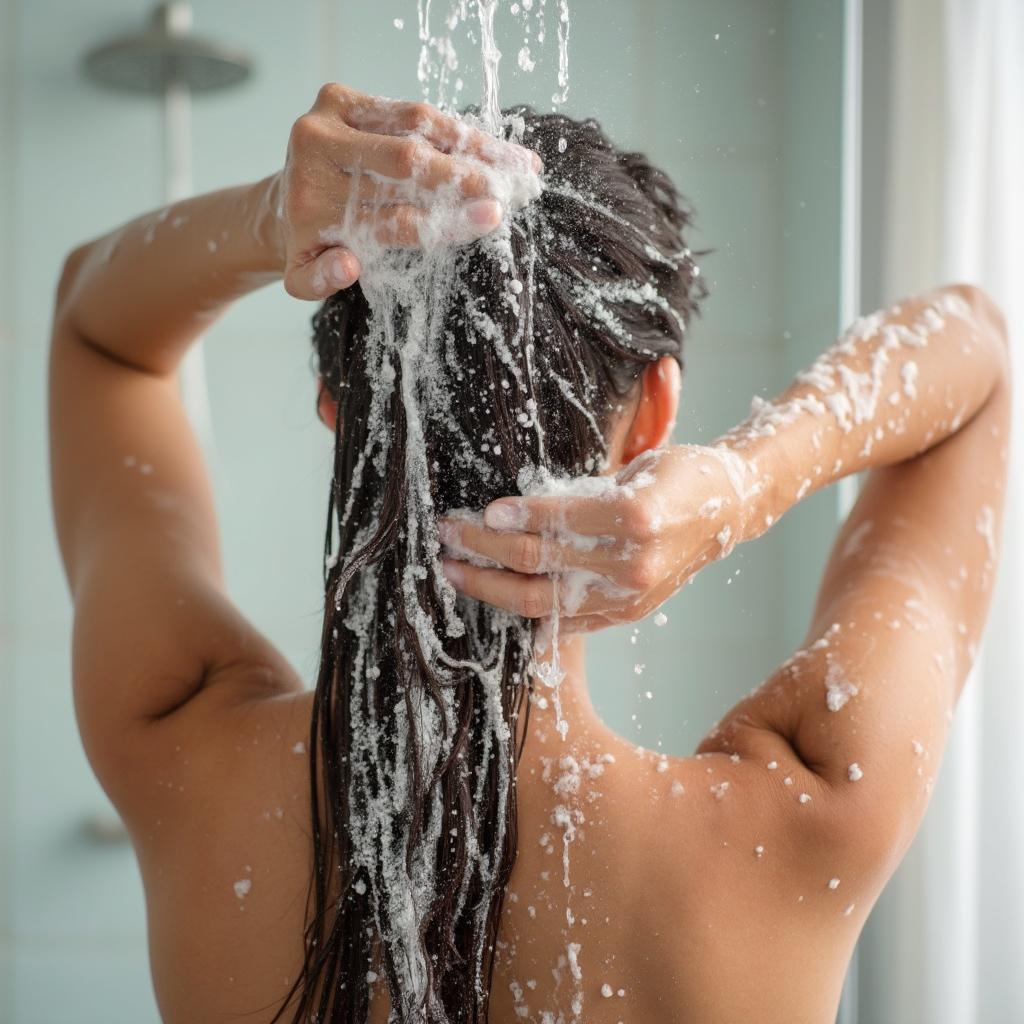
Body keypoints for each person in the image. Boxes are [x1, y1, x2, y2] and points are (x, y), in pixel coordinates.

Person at [49, 83, 1009, 1024]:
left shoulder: (180, 740)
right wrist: (739, 484)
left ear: (338, 412)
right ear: (656, 416)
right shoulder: (803, 826)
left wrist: (275, 216)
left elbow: (95, 327)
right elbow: (981, 357)